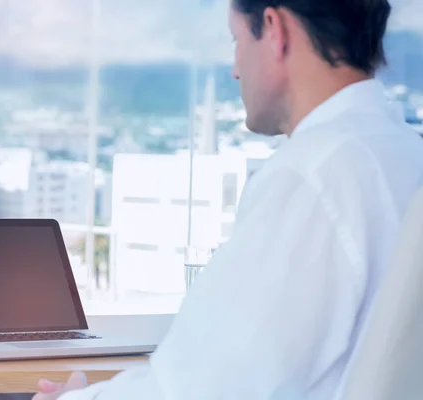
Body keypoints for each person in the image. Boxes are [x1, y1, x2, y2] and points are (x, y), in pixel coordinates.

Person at [34, 0, 423, 398]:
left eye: (237, 40)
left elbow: (202, 389)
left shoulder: (310, 176)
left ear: (274, 30)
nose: (236, 69)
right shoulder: (408, 155)